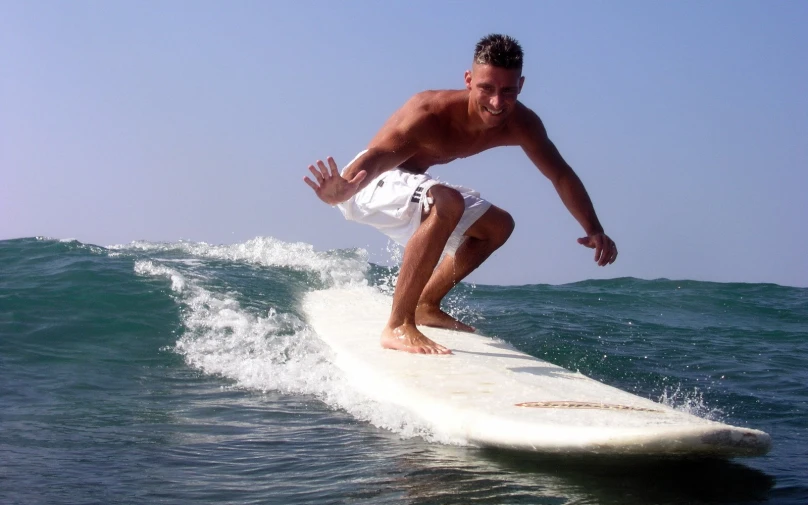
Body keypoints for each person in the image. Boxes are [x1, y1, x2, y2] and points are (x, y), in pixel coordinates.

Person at [303, 34, 617, 355]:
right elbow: (381, 155)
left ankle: (426, 303)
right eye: (486, 88)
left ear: (521, 85)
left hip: (411, 183)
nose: (497, 103)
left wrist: (593, 229)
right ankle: (398, 324)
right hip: (367, 182)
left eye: (508, 90)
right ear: (468, 80)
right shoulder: (428, 113)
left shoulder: (522, 124)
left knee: (498, 226)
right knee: (446, 201)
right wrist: (347, 187)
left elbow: (560, 173)